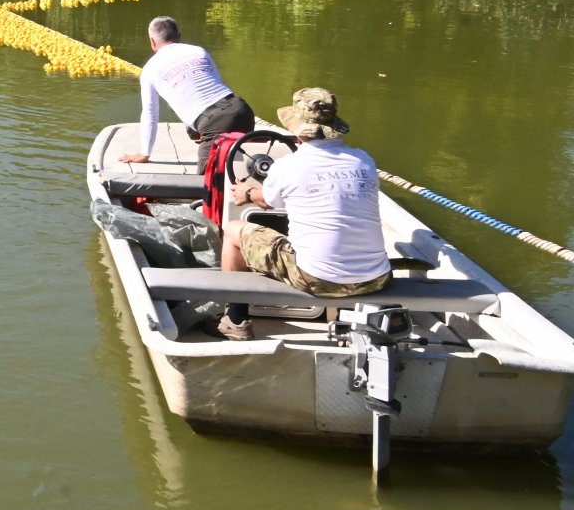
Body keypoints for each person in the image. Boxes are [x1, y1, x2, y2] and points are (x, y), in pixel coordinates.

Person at [218, 88, 391, 340]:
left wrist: (246, 191)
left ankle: (235, 321)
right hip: (377, 278)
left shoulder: (288, 166)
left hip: (317, 280)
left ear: (297, 127)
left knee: (234, 229)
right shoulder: (363, 160)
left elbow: (266, 201)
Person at [117, 17, 255, 169]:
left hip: (212, 121)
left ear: (152, 41)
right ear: (179, 36)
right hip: (241, 109)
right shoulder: (198, 51)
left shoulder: (150, 69)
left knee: (207, 182)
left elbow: (151, 114)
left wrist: (144, 154)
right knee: (241, 167)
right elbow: (218, 84)